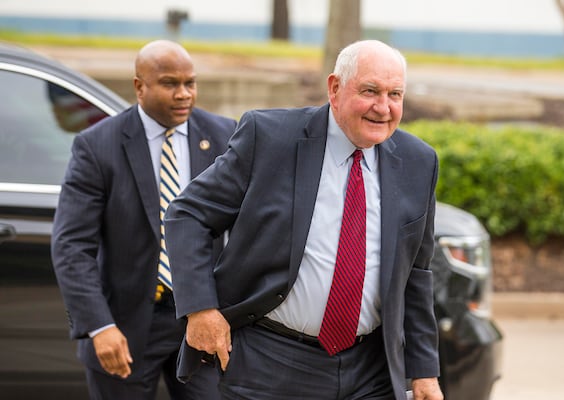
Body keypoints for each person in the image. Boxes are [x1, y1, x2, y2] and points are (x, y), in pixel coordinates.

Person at [165, 39, 444, 400]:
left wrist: (424, 372)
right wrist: (200, 309)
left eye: (395, 94)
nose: (383, 107)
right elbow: (188, 215)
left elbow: (416, 274)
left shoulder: (418, 162)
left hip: (369, 370)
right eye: (370, 91)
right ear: (335, 88)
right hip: (271, 361)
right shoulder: (269, 137)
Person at [51, 39, 236, 400]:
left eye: (190, 83)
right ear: (139, 86)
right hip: (124, 324)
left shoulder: (223, 136)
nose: (184, 94)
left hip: (201, 318)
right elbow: (72, 247)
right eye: (170, 83)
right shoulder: (97, 145)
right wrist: (99, 326)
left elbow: (247, 229)